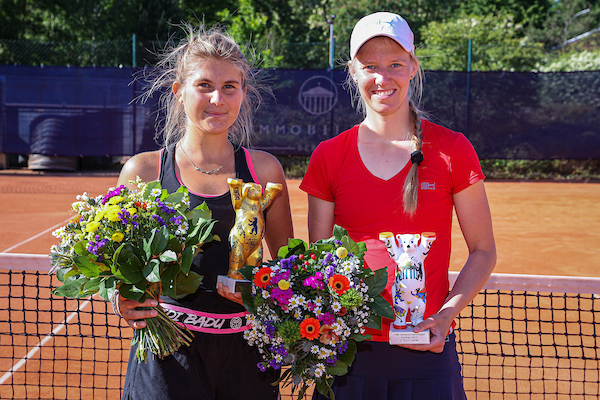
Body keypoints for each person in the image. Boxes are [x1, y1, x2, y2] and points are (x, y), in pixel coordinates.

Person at [300, 12, 496, 399]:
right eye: (370, 66)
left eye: (394, 64)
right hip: (349, 353)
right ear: (353, 72)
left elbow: (484, 250)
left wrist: (444, 318)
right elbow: (319, 260)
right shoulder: (328, 156)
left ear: (413, 67)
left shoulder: (453, 149)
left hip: (427, 349)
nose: (382, 78)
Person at [115, 22, 293, 400]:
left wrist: (261, 289)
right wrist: (122, 297)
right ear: (179, 92)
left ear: (244, 93)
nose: (217, 99)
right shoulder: (143, 171)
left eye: (230, 86)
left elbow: (287, 270)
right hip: (166, 359)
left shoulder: (265, 171)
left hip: (249, 360)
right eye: (204, 86)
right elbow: (119, 264)